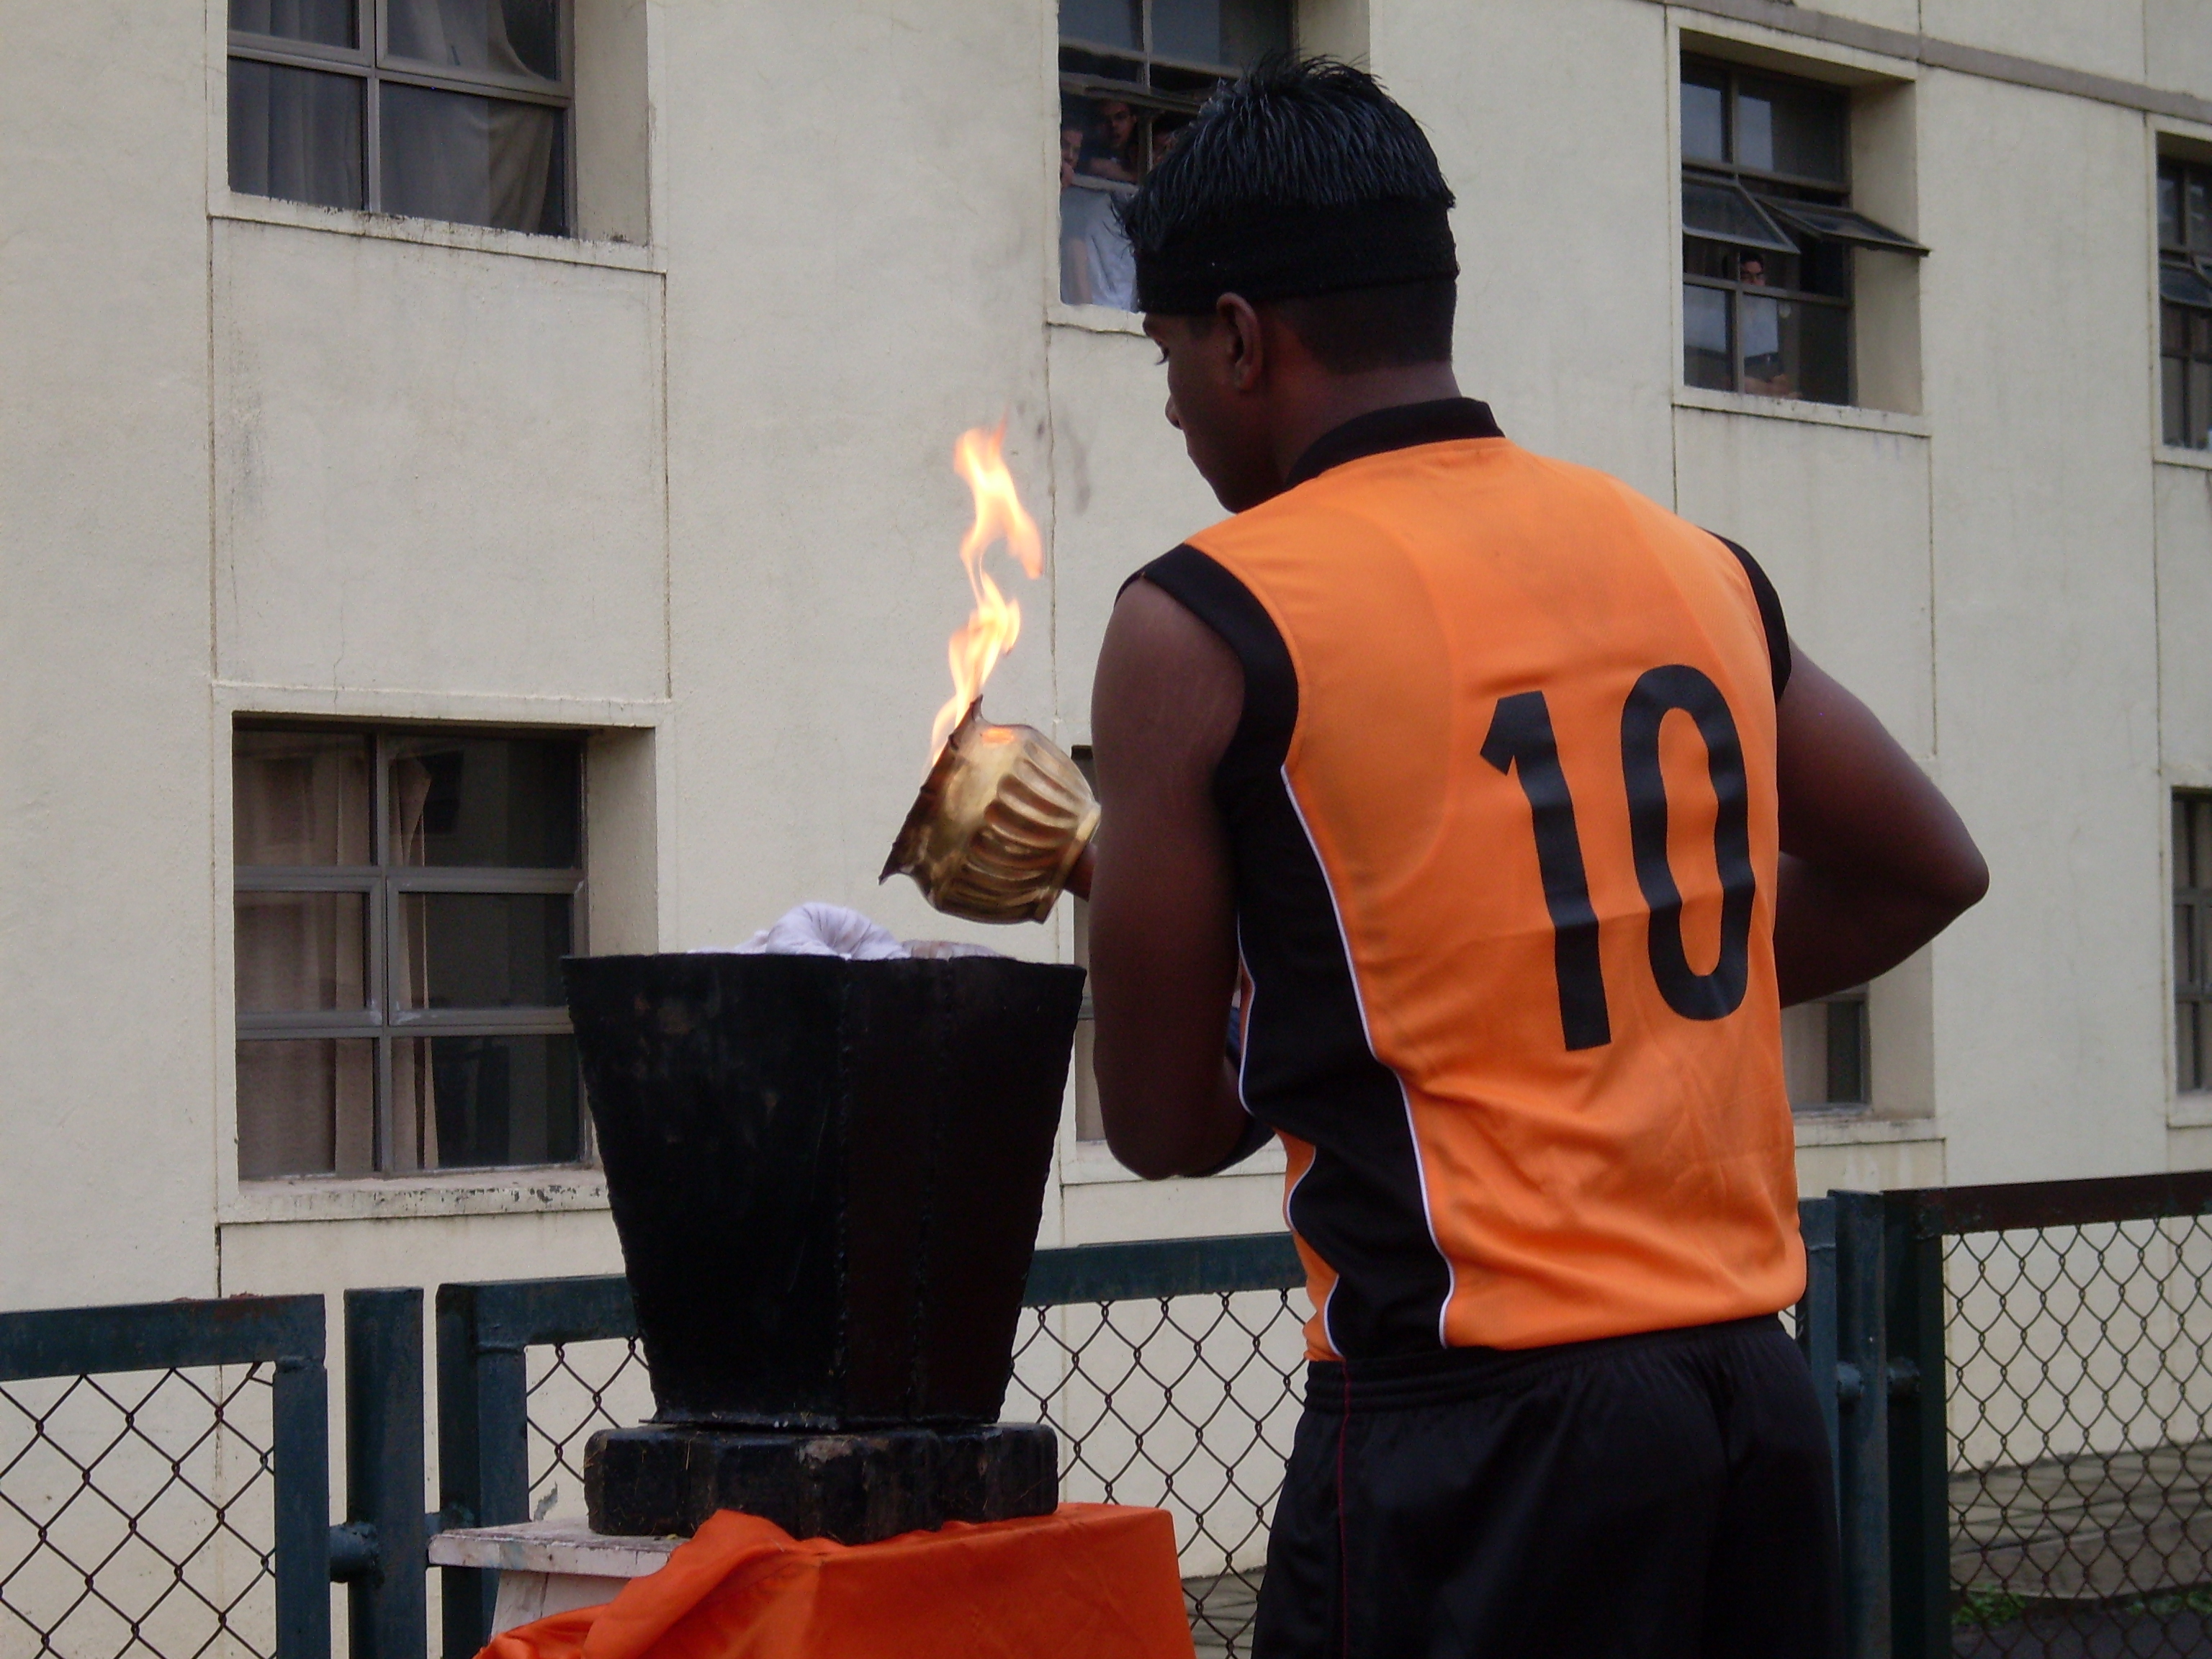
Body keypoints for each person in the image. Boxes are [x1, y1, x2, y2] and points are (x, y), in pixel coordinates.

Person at [1082, 57, 1987, 1658]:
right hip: (1751, 1405)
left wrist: (1142, 913)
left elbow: (1167, 1123)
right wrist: (1596, 981)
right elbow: (1928, 868)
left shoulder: (1203, 619)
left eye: (1165, 358)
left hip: (1472, 1441)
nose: (1169, 407)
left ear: (1238, 337)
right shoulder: (1692, 564)